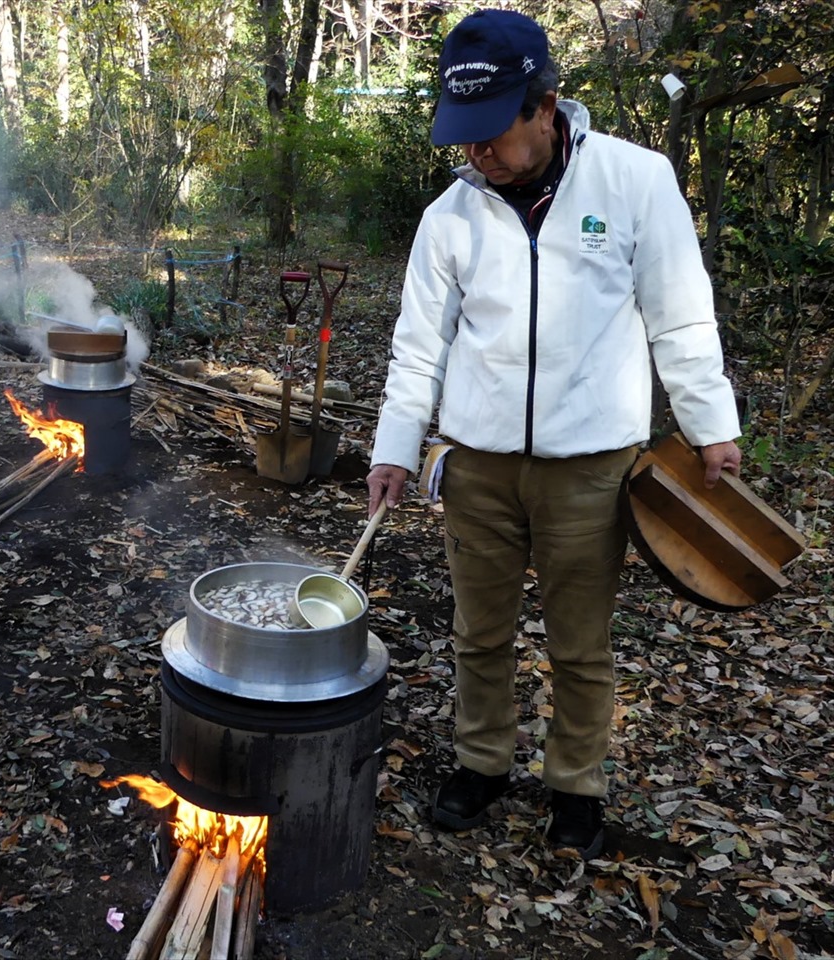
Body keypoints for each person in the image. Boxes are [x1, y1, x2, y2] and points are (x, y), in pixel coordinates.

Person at [366, 9, 742, 860]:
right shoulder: (449, 217)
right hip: (479, 464)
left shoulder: (635, 182)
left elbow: (678, 315)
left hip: (591, 465)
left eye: (492, 134)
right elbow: (419, 345)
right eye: (463, 138)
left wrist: (710, 423)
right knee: (479, 631)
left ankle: (577, 783)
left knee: (581, 643)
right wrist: (395, 447)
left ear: (546, 105)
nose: (477, 155)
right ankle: (482, 763)